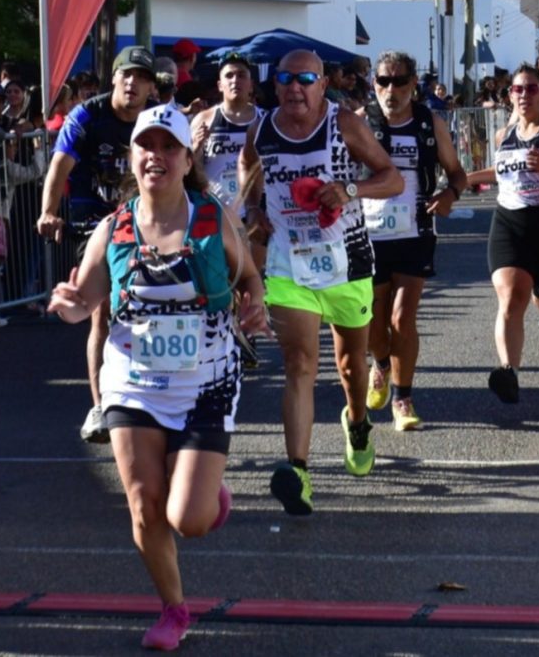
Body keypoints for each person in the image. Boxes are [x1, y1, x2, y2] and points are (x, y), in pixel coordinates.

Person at [47, 104, 269, 651]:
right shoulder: (113, 226)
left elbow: (250, 280)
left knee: (188, 519)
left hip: (206, 382)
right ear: (132, 156)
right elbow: (90, 301)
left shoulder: (213, 219)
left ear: (186, 158)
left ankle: (206, 495)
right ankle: (174, 609)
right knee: (145, 504)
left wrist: (255, 308)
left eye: (168, 147)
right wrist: (71, 305)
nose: (156, 157)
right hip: (133, 380)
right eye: (146, 146)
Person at [238, 49, 402, 515]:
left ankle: (357, 420)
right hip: (290, 266)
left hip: (346, 262)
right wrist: (253, 211)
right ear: (275, 87)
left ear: (322, 85)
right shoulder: (262, 129)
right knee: (299, 364)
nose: (295, 87)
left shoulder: (344, 125)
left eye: (305, 79)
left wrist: (350, 189)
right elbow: (248, 169)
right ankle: (299, 472)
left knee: (351, 367)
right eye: (286, 80)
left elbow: (390, 178)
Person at [38, 46, 158, 444]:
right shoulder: (87, 114)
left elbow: (183, 165)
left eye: (141, 77)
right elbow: (60, 164)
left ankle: (154, 395)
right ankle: (99, 404)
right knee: (104, 311)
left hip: (144, 221)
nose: (132, 82)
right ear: (113, 78)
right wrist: (48, 211)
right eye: (126, 74)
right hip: (96, 223)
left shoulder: (156, 118)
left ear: (150, 86)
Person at [358, 50, 467, 430]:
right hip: (368, 234)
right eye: (383, 81)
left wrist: (449, 195)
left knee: (403, 318)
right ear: (374, 84)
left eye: (399, 81)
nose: (391, 89)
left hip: (414, 231)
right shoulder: (358, 122)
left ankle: (403, 398)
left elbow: (457, 173)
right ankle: (382, 363)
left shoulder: (429, 123)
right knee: (373, 318)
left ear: (413, 85)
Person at [464, 64, 539, 403]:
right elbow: (502, 171)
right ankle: (509, 372)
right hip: (510, 222)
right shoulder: (505, 135)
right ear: (509, 96)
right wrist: (466, 178)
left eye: (532, 89)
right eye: (517, 89)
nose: (523, 95)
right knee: (511, 296)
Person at [191, 52, 263, 212]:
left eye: (241, 75)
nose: (235, 80)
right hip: (216, 210)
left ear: (251, 84)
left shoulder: (265, 120)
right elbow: (187, 168)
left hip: (257, 211)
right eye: (229, 76)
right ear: (219, 85)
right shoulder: (204, 119)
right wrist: (195, 148)